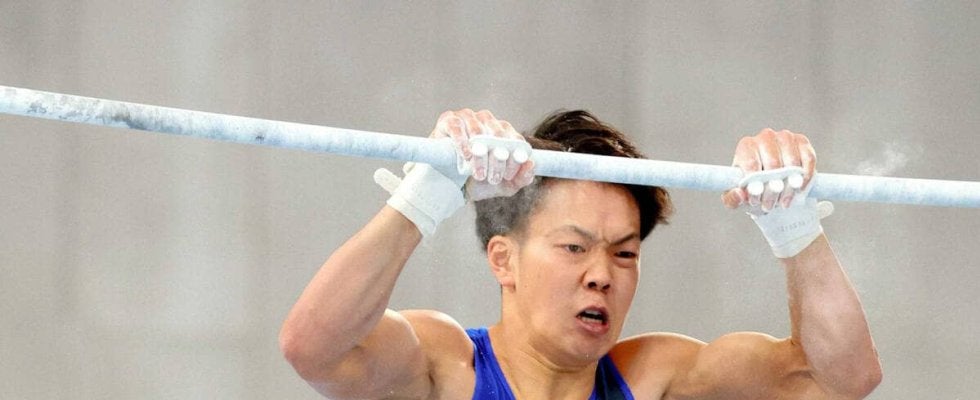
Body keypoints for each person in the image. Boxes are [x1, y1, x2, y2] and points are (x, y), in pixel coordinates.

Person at [279, 108, 882, 400]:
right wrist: (424, 195)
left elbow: (841, 381)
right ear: (503, 260)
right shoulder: (448, 369)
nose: (601, 276)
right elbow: (314, 348)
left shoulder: (652, 378)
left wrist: (793, 227)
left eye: (624, 254)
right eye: (574, 247)